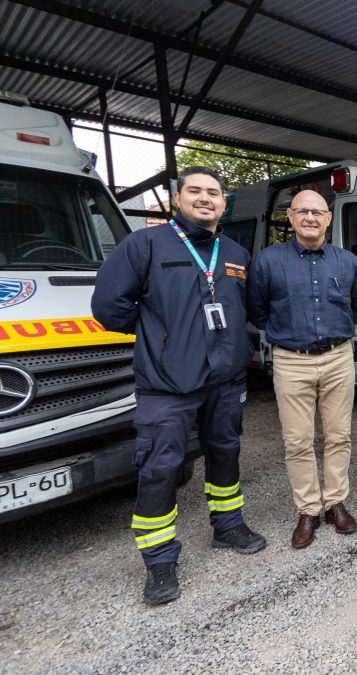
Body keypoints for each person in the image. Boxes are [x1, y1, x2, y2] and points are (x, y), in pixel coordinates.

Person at [91, 166, 266, 606]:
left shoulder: (235, 253)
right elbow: (109, 306)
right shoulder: (144, 244)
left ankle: (228, 526)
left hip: (225, 379)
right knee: (159, 467)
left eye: (213, 193)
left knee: (226, 453)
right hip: (167, 384)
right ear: (177, 199)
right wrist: (160, 337)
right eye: (195, 191)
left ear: (224, 203)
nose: (205, 198)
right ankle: (160, 559)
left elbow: (247, 307)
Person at [247, 190, 357, 549]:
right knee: (297, 440)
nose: (311, 218)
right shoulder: (268, 261)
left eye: (318, 212)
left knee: (338, 435)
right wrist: (291, 335)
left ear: (328, 218)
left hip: (337, 357)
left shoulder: (346, 262)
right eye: (303, 212)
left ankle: (335, 503)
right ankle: (308, 510)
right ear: (291, 216)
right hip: (291, 359)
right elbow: (257, 311)